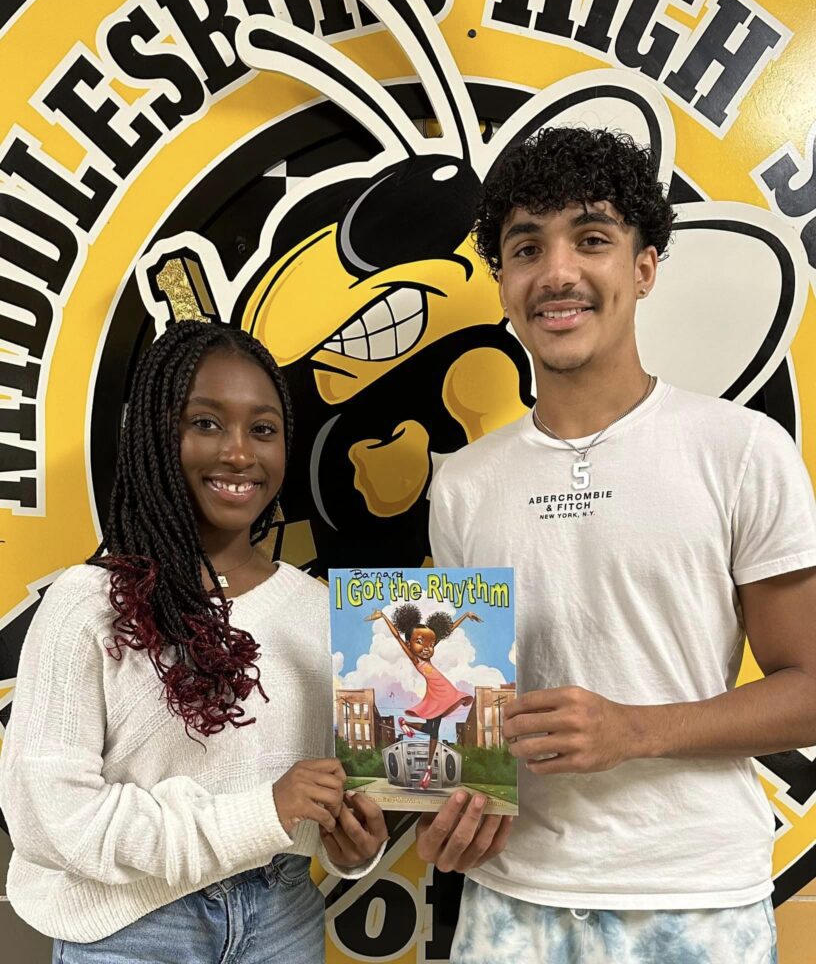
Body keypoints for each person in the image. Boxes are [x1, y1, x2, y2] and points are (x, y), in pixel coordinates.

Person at [417, 127, 816, 963]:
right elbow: (461, 711)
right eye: (527, 247)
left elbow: (810, 689)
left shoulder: (742, 451)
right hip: (511, 900)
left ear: (644, 266)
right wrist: (446, 812)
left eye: (592, 239)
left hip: (694, 902)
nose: (557, 271)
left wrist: (634, 730)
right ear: (503, 283)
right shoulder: (462, 485)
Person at [0, 321, 388, 963]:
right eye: (205, 423)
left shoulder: (326, 615)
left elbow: (323, 802)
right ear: (156, 435)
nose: (239, 453)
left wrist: (350, 846)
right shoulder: (89, 603)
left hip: (283, 919)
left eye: (263, 429)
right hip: (134, 930)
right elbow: (51, 818)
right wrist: (262, 811)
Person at [364, 604, 479, 788]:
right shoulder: (415, 658)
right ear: (409, 644)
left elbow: (446, 632)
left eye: (431, 645)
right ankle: (426, 765)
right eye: (420, 642)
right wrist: (384, 617)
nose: (427, 648)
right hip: (437, 695)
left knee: (432, 731)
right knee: (432, 731)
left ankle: (424, 763)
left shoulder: (426, 656)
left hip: (445, 693)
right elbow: (396, 636)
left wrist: (465, 616)